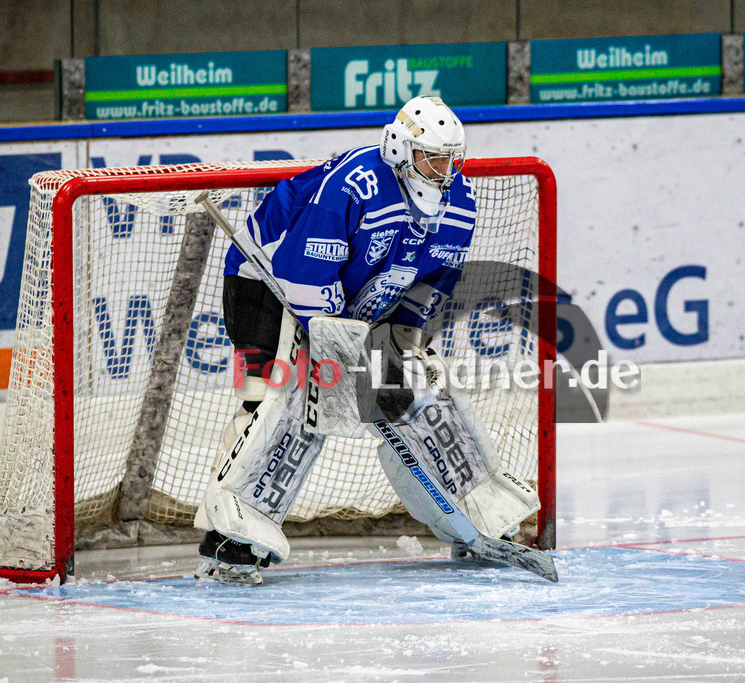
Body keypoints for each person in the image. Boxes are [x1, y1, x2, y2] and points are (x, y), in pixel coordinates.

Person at [194, 96, 540, 584]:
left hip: (358, 300)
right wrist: (338, 348)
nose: (444, 171)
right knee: (285, 395)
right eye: (432, 159)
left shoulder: (459, 201)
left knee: (420, 391)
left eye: (451, 159)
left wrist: (403, 341)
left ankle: (475, 514)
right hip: (266, 283)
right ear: (399, 148)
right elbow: (302, 272)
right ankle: (230, 535)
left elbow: (430, 284)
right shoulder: (355, 184)